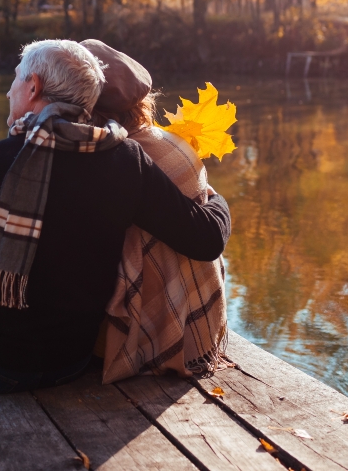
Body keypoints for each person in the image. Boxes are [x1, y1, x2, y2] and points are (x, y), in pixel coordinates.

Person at [0, 39, 231, 397]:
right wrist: (215, 200)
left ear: (34, 87)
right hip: (70, 363)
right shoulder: (126, 162)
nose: (8, 91)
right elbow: (206, 240)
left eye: (15, 79)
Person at [82, 40, 235, 384]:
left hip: (154, 337)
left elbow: (204, 238)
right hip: (201, 326)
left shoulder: (122, 159)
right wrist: (218, 199)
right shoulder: (168, 142)